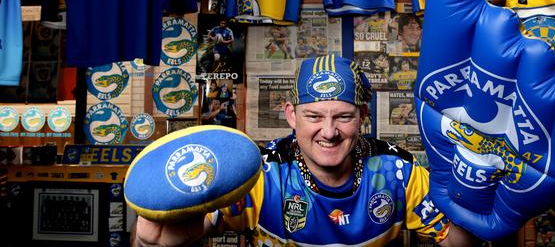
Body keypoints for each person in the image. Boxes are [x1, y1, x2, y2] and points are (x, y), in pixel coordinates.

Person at [131, 55, 477, 247]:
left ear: (363, 118)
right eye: (314, 116)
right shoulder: (258, 175)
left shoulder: (398, 172)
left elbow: (457, 241)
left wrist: (479, 190)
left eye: (344, 116)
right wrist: (153, 237)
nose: (328, 132)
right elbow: (166, 236)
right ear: (291, 116)